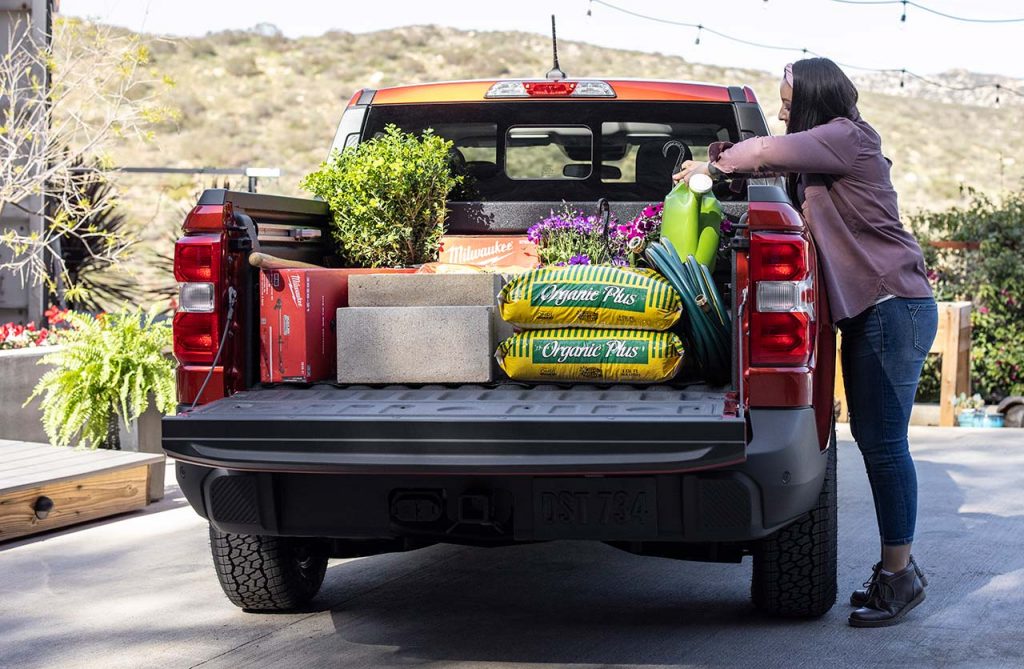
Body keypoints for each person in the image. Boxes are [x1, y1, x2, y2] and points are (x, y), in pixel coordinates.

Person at [674, 57, 938, 627]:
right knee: (874, 438)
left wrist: (710, 162)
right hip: (875, 311)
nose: (783, 108)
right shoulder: (825, 154)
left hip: (893, 306)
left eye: (789, 98)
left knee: (886, 444)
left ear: (816, 97)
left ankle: (900, 575)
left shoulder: (846, 137)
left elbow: (764, 150)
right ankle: (899, 571)